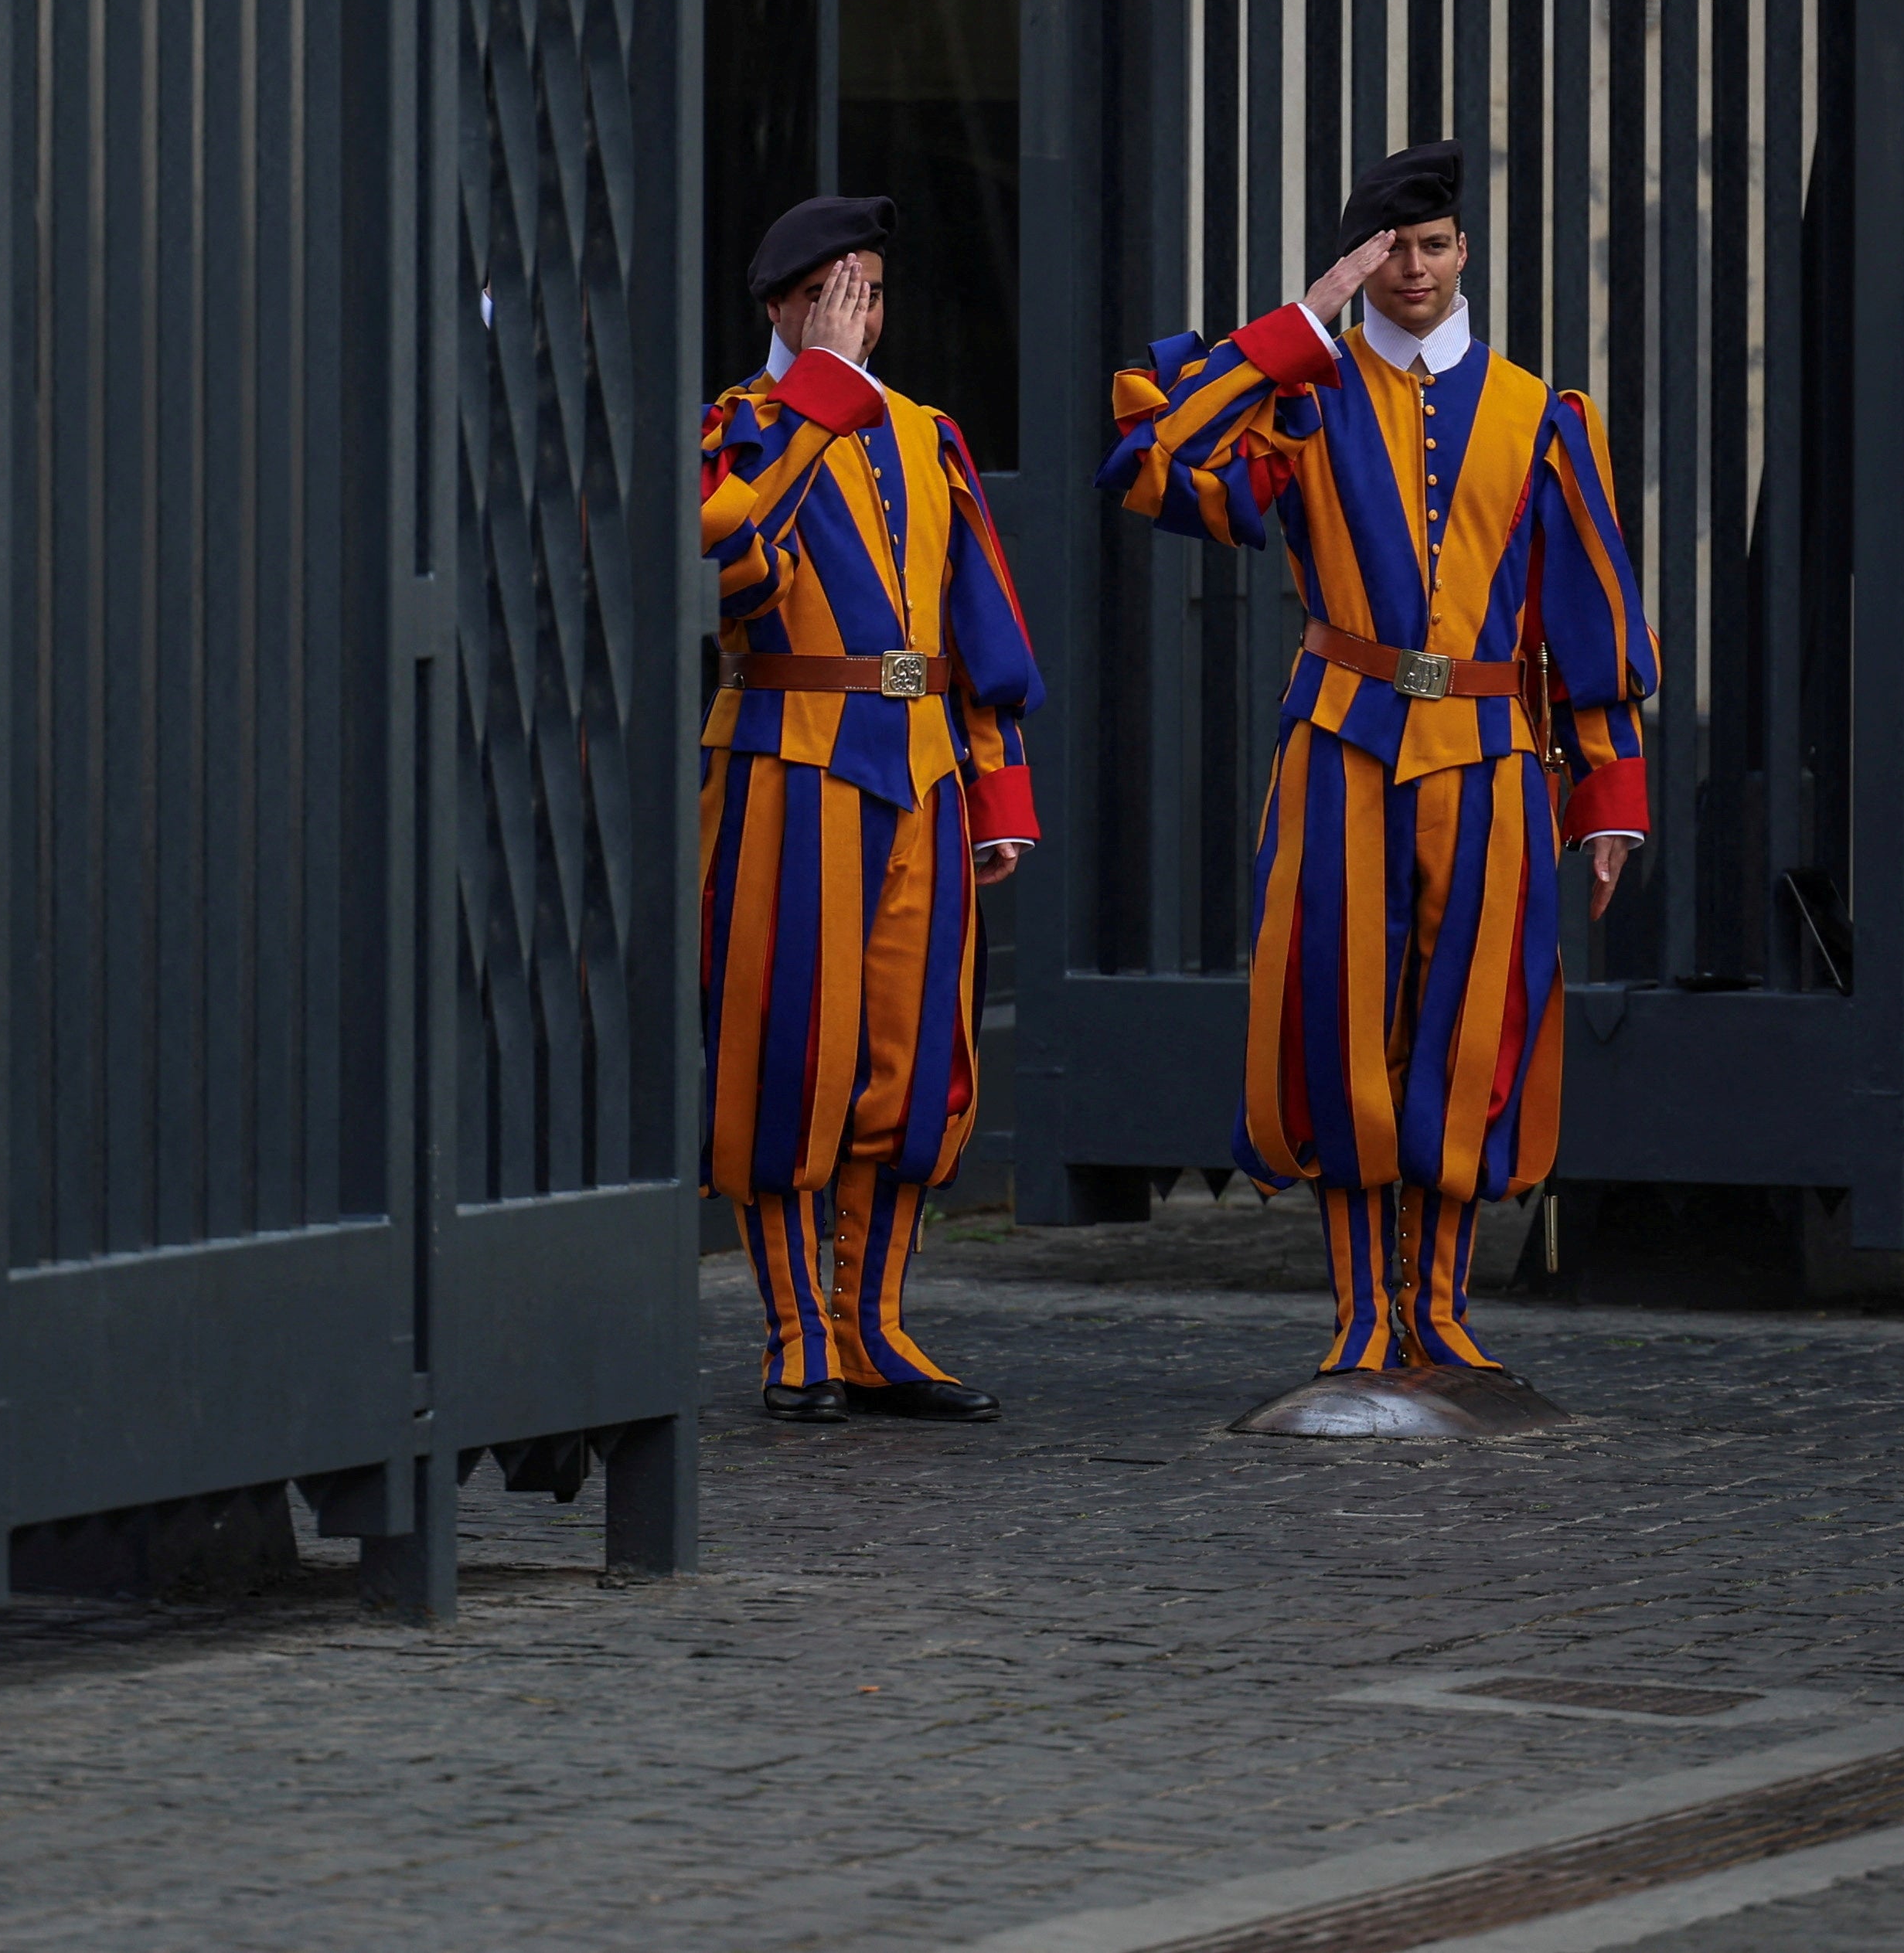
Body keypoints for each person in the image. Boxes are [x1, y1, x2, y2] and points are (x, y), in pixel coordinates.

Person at [1099, 141, 1657, 1383]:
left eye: (1435, 244)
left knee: (1473, 1025)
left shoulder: (1543, 412)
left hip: (1494, 752)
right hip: (1344, 741)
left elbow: (1592, 620)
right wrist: (1303, 319)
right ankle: (1362, 1312)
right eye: (1389, 249)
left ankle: (1443, 1304)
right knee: (1341, 1019)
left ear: (1467, 253)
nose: (1415, 268)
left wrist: (1609, 790)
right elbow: (1149, 464)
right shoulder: (1302, 395)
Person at [699, 196, 1043, 1425]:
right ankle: (796, 1334)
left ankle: (876, 1326)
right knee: (793, 1053)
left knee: (913, 1061)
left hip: (924, 771)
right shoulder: (736, 427)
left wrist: (998, 787)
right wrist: (819, 397)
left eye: (877, 293)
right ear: (788, 305)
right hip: (789, 765)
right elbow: (728, 566)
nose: (865, 315)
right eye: (843, 293)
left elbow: (977, 620)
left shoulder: (929, 433)